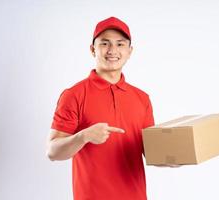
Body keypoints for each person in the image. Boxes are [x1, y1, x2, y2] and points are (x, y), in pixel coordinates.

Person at [46, 16, 155, 200]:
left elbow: (151, 151)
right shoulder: (73, 95)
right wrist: (83, 136)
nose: (113, 50)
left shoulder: (142, 98)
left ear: (130, 51)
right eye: (105, 43)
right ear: (92, 49)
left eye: (120, 44)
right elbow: (52, 152)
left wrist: (172, 158)